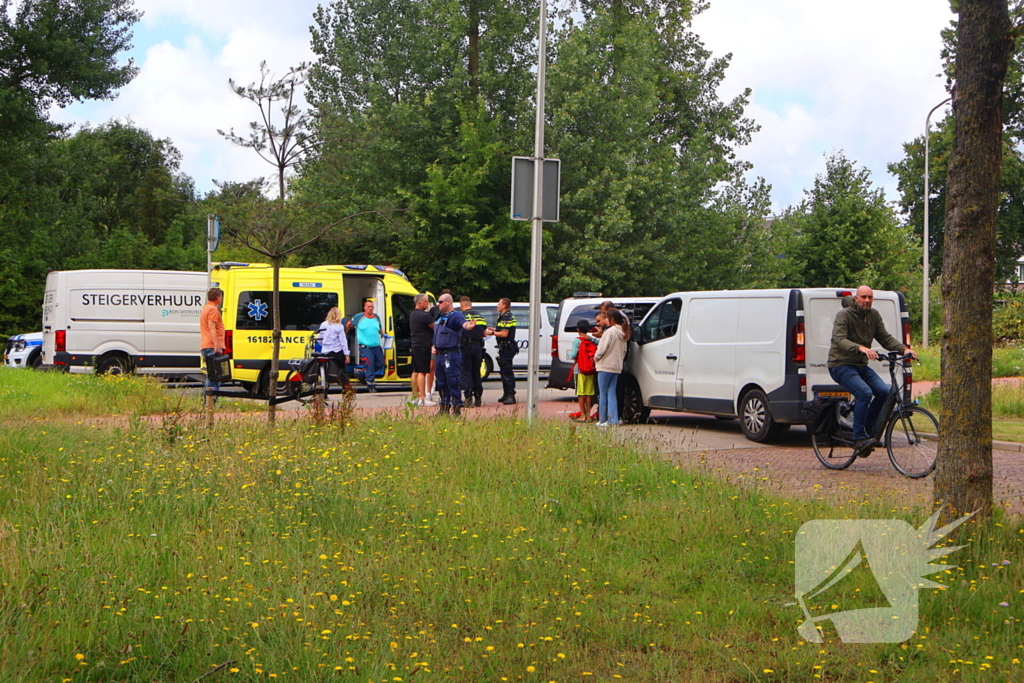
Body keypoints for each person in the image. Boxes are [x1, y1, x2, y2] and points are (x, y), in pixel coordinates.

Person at [828, 285, 916, 453]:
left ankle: (868, 432)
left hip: (860, 365)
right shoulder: (844, 315)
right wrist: (860, 348)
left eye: (870, 297)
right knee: (864, 392)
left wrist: (904, 349)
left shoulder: (873, 315)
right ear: (856, 298)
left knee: (885, 392)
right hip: (840, 365)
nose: (867, 300)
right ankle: (859, 438)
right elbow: (839, 339)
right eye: (863, 297)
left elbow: (885, 338)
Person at [432, 293, 476, 416]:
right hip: (440, 354)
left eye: (441, 302)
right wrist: (433, 346)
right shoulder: (439, 316)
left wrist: (468, 326)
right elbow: (436, 333)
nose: (438, 304)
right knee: (441, 382)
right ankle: (444, 408)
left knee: (453, 381)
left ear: (448, 302)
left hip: (451, 354)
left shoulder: (456, 316)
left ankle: (456, 409)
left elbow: (464, 324)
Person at [594, 308, 629, 426]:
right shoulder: (623, 332)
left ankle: (603, 419)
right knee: (612, 393)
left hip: (605, 365)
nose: (606, 320)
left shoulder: (610, 332)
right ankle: (613, 419)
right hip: (617, 366)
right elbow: (624, 351)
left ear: (612, 319)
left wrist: (596, 358)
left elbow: (602, 348)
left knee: (603, 393)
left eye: (607, 318)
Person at [346, 298, 384, 392]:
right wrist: (345, 334)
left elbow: (379, 328)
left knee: (380, 364)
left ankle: (362, 373)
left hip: (376, 346)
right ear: (364, 308)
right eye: (369, 306)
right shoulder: (359, 317)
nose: (370, 308)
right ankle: (371, 385)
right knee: (370, 365)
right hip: (365, 347)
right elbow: (349, 323)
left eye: (372, 306)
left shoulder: (376, 317)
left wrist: (383, 334)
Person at [488, 298, 519, 404]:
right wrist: (495, 330)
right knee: (504, 371)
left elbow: (504, 334)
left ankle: (510, 395)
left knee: (507, 371)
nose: (497, 306)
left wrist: (492, 333)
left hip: (507, 347)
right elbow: (502, 330)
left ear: (504, 306)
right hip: (505, 347)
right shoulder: (504, 316)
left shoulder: (506, 317)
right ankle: (506, 394)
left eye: (499, 304)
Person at [459, 295, 488, 408]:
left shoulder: (461, 316)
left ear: (462, 305)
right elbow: (484, 334)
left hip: (465, 346)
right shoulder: (480, 316)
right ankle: (478, 398)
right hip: (477, 346)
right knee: (476, 372)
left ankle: (468, 398)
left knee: (466, 372)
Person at [567, 319, 598, 421]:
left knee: (581, 393)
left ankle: (582, 415)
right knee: (589, 392)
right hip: (590, 369)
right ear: (588, 329)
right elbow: (598, 344)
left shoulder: (577, 340)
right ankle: (588, 414)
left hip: (580, 369)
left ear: (578, 330)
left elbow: (573, 355)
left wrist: (568, 354)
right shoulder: (591, 340)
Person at [409, 294, 436, 407]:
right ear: (419, 303)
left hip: (415, 345)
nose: (427, 304)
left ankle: (415, 396)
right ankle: (423, 397)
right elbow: (435, 327)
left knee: (415, 371)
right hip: (423, 345)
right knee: (422, 372)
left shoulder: (413, 314)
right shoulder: (424, 315)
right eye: (426, 301)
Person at [200, 286, 225, 397]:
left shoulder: (206, 308)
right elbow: (212, 327)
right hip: (212, 346)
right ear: (218, 297)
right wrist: (217, 345)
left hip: (205, 345)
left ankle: (209, 399)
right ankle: (211, 400)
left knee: (211, 374)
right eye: (221, 296)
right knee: (215, 376)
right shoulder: (213, 310)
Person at [318, 307, 350, 389]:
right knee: (342, 370)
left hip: (325, 352)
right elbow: (343, 342)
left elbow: (319, 339)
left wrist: (325, 346)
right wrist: (346, 355)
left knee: (326, 370)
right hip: (337, 352)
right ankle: (347, 390)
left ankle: (324, 390)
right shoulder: (339, 326)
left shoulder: (323, 324)